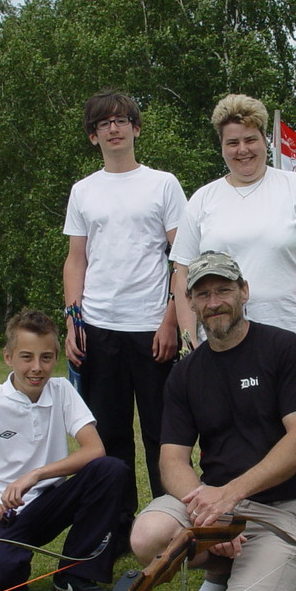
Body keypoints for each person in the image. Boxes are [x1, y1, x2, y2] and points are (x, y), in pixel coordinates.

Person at [130, 252, 296, 591]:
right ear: (190, 303)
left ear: (244, 292)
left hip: (281, 510)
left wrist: (228, 498)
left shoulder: (284, 349)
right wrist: (209, 510)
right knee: (147, 535)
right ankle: (222, 569)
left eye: (223, 289)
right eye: (202, 294)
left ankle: (284, 574)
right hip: (211, 502)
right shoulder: (186, 373)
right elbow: (171, 459)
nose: (214, 301)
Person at [0, 309, 132, 591]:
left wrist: (35, 475)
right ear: (8, 357)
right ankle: (7, 553)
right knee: (3, 575)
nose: (37, 367)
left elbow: (94, 449)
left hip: (47, 503)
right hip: (0, 512)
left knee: (111, 469)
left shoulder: (62, 390)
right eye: (27, 357)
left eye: (46, 357)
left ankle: (75, 573)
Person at [62, 90, 185, 515]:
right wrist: (72, 320)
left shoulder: (163, 184)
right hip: (97, 330)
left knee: (162, 433)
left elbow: (181, 257)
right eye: (103, 124)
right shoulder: (83, 191)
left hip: (152, 330)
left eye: (121, 121)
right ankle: (115, 528)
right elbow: (76, 258)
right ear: (93, 136)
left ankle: (167, 521)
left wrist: (171, 321)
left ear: (135, 128)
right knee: (109, 436)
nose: (113, 129)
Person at [170, 94, 296, 361]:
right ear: (221, 146)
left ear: (264, 141)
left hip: (291, 337)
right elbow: (182, 274)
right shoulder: (202, 199)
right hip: (219, 343)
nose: (242, 150)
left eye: (250, 140)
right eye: (232, 142)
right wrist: (189, 342)